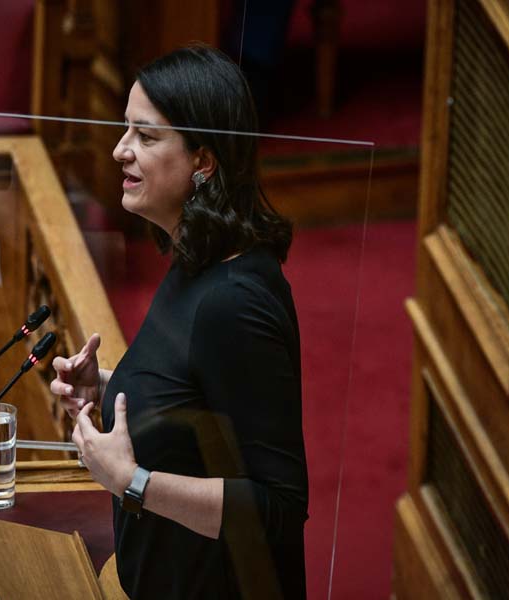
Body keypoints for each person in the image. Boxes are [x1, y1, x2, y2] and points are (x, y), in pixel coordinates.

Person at [50, 45, 308, 599]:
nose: (120, 150)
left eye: (145, 136)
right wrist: (109, 389)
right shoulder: (196, 256)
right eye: (126, 129)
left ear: (203, 162)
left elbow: (279, 508)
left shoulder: (234, 303)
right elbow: (198, 402)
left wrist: (131, 482)